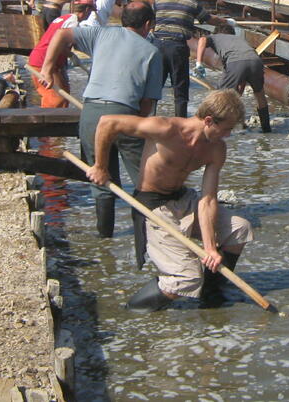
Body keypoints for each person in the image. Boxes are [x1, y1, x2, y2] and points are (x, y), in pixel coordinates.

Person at [84, 89, 254, 310]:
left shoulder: (216, 148)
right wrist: (100, 166)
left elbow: (208, 200)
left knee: (240, 229)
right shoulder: (166, 128)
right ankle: (131, 311)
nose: (228, 135)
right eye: (227, 129)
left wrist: (211, 248)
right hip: (152, 205)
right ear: (209, 121)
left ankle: (211, 295)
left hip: (183, 199)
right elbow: (108, 122)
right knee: (188, 277)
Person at [37, 1, 162, 241]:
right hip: (126, 115)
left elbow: (61, 33)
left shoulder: (101, 33)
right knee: (145, 181)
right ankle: (147, 240)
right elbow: (146, 105)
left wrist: (47, 68)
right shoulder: (152, 52)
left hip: (92, 114)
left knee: (101, 179)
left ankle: (105, 240)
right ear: (148, 25)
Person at [152, 0, 223, 118]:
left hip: (157, 46)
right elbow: (209, 19)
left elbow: (152, 20)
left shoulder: (158, 1)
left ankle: (149, 122)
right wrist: (226, 22)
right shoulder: (191, 3)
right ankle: (180, 124)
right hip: (177, 47)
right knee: (180, 90)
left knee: (154, 89)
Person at [194, 23, 272, 132]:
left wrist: (199, 63)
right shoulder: (237, 40)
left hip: (236, 61)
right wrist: (237, 95)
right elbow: (243, 78)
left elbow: (202, 40)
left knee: (219, 96)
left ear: (216, 32)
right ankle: (266, 129)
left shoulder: (215, 37)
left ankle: (210, 128)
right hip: (256, 61)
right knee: (259, 94)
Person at [27, 0, 97, 107]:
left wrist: (70, 54)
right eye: (91, 11)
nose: (90, 15)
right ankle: (46, 122)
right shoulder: (73, 23)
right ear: (87, 10)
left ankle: (62, 122)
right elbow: (57, 45)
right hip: (43, 63)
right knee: (55, 100)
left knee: (64, 96)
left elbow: (58, 44)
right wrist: (71, 55)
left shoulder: (64, 18)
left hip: (46, 61)